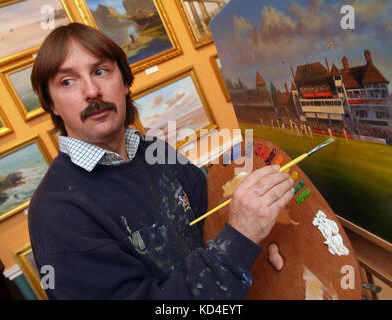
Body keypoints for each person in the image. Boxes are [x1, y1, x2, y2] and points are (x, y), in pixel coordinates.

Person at [28, 23, 294, 299]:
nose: (92, 91)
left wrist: (256, 251)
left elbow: (217, 225)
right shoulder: (54, 212)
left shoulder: (155, 150)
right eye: (68, 81)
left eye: (100, 71)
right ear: (52, 105)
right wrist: (239, 242)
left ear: (125, 82)